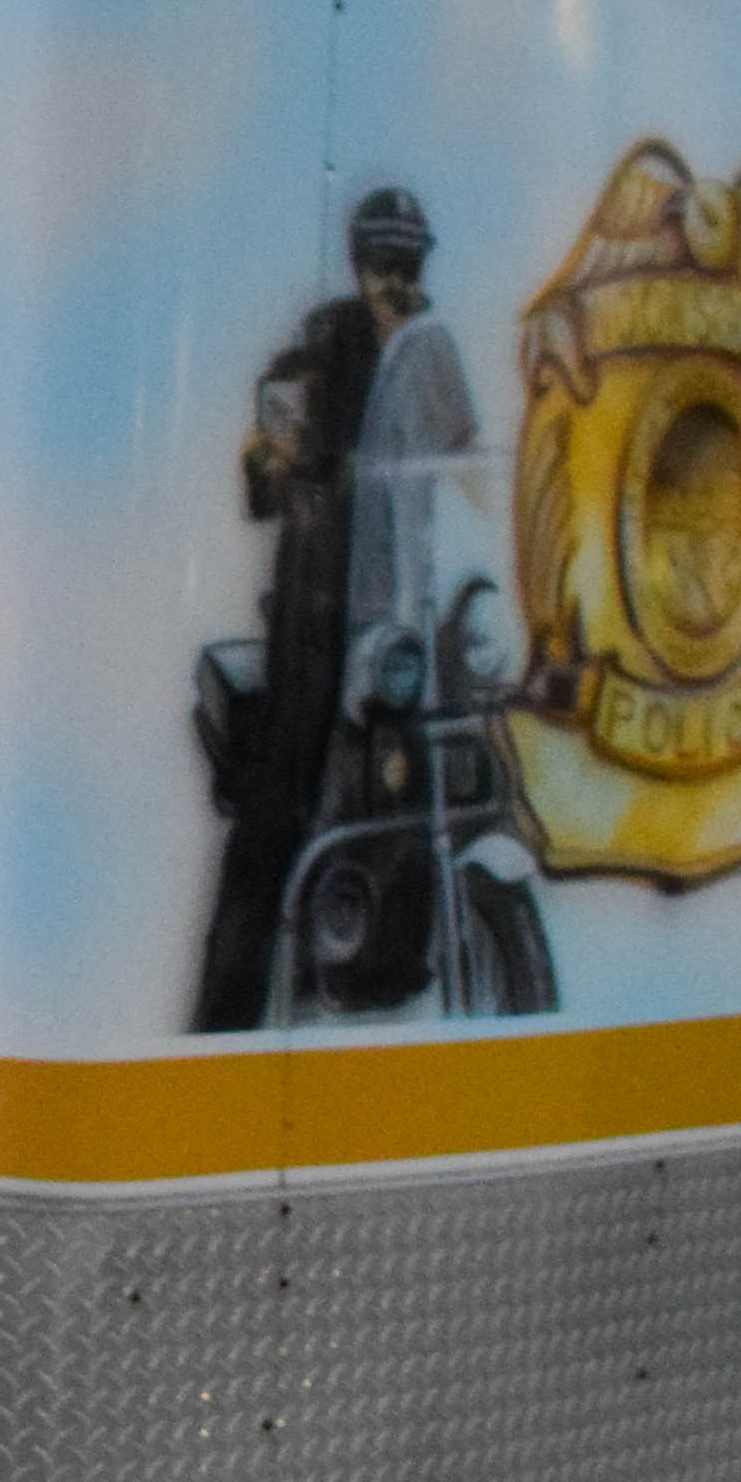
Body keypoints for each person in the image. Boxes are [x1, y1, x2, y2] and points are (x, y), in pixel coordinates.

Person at [193, 188, 436, 1031]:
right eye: (385, 265)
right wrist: (277, 453)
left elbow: (473, 467)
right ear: (359, 264)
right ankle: (219, 1027)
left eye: (410, 266)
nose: (399, 282)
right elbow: (267, 464)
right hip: (318, 616)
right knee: (275, 816)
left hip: (403, 621)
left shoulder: (431, 358)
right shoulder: (324, 348)